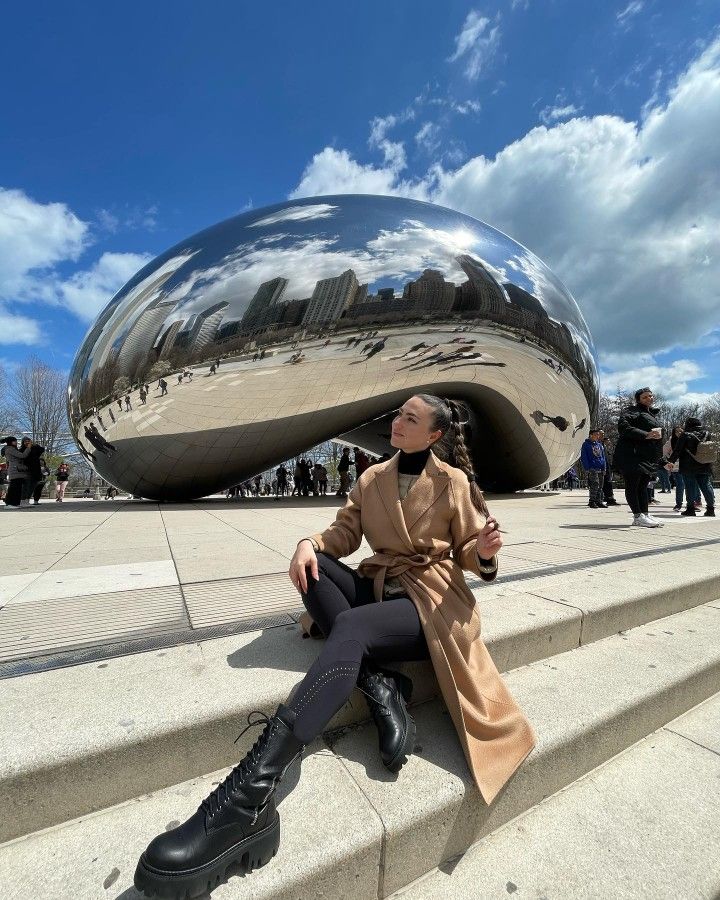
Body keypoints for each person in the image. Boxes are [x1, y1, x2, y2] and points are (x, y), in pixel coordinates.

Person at [134, 394, 535, 898]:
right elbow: (344, 534)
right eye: (398, 415)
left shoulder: (453, 483)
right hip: (377, 586)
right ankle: (379, 684)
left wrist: (484, 552)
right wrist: (309, 543)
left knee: (349, 631)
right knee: (314, 572)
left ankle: (247, 797)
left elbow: (470, 552)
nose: (398, 422)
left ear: (434, 435)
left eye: (411, 419)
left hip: (429, 600)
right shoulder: (372, 477)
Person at [613, 388, 664, 527]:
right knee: (633, 486)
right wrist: (645, 434)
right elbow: (623, 427)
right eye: (645, 397)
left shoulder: (651, 415)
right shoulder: (632, 411)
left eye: (651, 396)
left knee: (642, 486)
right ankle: (637, 516)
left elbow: (656, 440)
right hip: (631, 455)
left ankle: (644, 514)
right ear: (638, 400)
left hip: (646, 456)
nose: (649, 398)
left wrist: (661, 459)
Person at [664, 416, 715, 517]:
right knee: (706, 486)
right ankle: (710, 509)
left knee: (690, 487)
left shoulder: (685, 435)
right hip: (704, 464)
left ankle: (690, 509)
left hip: (688, 465)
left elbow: (677, 450)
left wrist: (671, 461)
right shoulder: (707, 433)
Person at [2, 436, 32, 509]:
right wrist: (28, 448)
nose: (16, 442)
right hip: (14, 470)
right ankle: (9, 503)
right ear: (11, 442)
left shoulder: (12, 449)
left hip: (17, 470)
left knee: (18, 487)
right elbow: (22, 455)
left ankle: (15, 503)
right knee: (14, 487)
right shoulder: (10, 449)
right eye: (14, 441)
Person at [580, 428, 606, 508]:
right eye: (596, 434)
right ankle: (592, 501)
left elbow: (603, 457)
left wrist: (604, 468)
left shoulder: (599, 445)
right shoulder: (586, 444)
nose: (598, 436)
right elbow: (584, 457)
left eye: (598, 434)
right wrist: (587, 468)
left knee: (600, 486)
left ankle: (599, 501)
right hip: (592, 468)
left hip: (600, 468)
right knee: (595, 484)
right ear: (591, 435)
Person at [598, 431, 619, 505]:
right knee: (602, 484)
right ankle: (600, 499)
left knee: (608, 483)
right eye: (601, 434)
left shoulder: (603, 445)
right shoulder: (597, 445)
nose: (602, 435)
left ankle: (610, 498)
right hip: (600, 468)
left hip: (607, 467)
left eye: (603, 434)